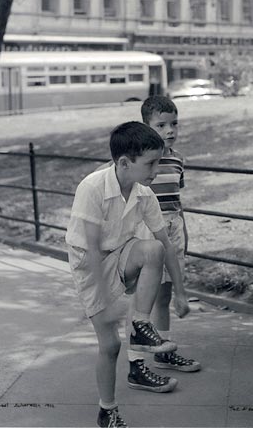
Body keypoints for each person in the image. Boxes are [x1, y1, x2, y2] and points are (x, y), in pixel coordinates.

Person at [65, 121, 191, 428]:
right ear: (124, 163)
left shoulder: (144, 194)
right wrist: (107, 302)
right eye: (150, 163)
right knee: (110, 346)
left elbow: (165, 244)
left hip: (122, 254)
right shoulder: (92, 187)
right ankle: (106, 410)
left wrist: (181, 290)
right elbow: (93, 250)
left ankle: (139, 324)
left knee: (153, 250)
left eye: (159, 162)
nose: (156, 170)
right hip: (90, 266)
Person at [139, 95, 201, 373]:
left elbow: (178, 203)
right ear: (146, 127)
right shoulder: (139, 160)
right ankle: (137, 361)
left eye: (174, 124)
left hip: (173, 228)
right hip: (147, 231)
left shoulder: (177, 160)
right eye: (161, 125)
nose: (170, 131)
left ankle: (163, 350)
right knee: (144, 298)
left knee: (164, 296)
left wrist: (183, 237)